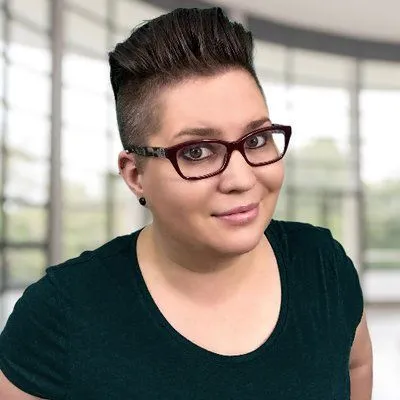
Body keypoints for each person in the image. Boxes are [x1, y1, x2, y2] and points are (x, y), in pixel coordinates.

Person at [0, 7, 372, 400]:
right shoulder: (62, 312)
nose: (242, 179)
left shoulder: (322, 265)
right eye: (196, 152)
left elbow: (356, 363)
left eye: (257, 140)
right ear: (135, 175)